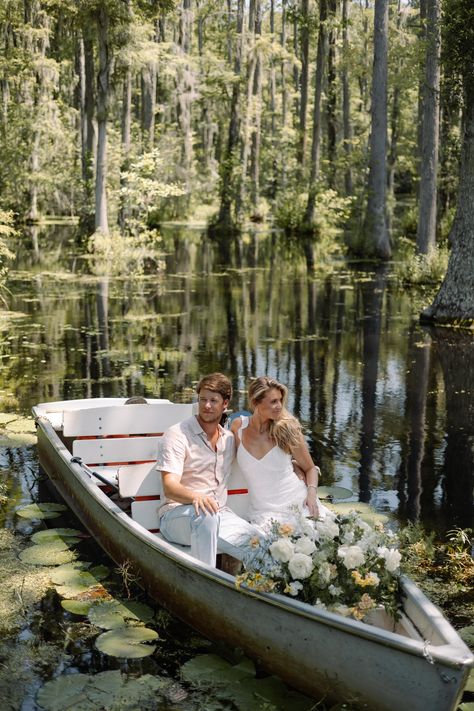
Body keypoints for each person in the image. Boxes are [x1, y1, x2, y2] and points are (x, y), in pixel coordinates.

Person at [157, 372, 258, 567]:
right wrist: (197, 497)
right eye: (203, 399)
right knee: (206, 516)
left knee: (259, 544)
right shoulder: (177, 435)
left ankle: (261, 593)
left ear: (225, 404)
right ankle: (205, 582)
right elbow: (169, 487)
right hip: (177, 516)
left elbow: (257, 457)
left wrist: (293, 464)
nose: (207, 405)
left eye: (213, 400)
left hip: (219, 514)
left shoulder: (228, 439)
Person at [230, 375, 330, 526]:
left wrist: (311, 494)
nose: (279, 406)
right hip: (263, 512)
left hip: (298, 504)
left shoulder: (287, 429)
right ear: (256, 402)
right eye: (273, 401)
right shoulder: (238, 427)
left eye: (280, 400)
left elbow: (310, 468)